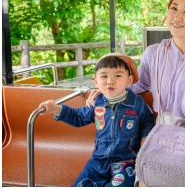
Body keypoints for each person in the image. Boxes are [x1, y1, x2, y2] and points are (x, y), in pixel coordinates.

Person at [86, 0, 185, 186]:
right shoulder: (153, 52)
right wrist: (108, 90)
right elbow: (140, 85)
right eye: (173, 8)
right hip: (163, 132)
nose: (177, 16)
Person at [39, 53, 154, 187]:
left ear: (129, 80)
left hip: (126, 163)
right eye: (104, 76)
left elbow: (147, 126)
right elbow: (78, 117)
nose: (110, 81)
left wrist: (144, 152)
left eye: (117, 75)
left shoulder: (138, 104)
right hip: (98, 161)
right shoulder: (96, 103)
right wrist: (57, 108)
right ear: (96, 81)